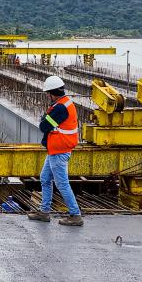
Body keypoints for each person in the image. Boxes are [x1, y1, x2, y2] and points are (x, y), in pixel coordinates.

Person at [29, 75, 83, 226]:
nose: (47, 96)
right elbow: (46, 123)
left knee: (62, 184)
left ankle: (75, 215)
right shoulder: (63, 103)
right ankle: (44, 212)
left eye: (48, 93)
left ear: (53, 93)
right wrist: (45, 119)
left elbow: (43, 126)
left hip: (60, 150)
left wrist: (45, 119)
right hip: (55, 150)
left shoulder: (60, 108)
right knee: (45, 178)